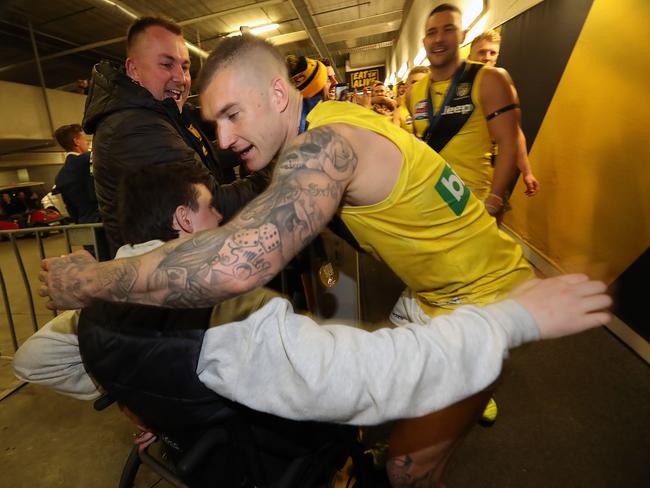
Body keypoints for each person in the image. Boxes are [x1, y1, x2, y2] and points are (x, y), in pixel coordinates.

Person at [39, 35, 610, 487]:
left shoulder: (325, 146)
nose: (224, 137)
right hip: (438, 291)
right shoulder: (320, 123)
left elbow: (237, 267)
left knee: (407, 472)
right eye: (214, 124)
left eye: (234, 114)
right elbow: (260, 201)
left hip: (488, 297)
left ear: (279, 96)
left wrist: (91, 279)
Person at [83, 15, 269, 254]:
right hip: (169, 274)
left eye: (185, 66)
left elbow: (206, 153)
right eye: (166, 64)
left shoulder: (161, 112)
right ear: (134, 70)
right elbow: (214, 203)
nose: (181, 79)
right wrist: (279, 166)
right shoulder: (135, 128)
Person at [406, 4, 537, 220]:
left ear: (462, 35)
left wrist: (494, 200)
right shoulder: (414, 93)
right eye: (431, 32)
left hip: (476, 205)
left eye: (448, 29)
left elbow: (510, 140)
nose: (438, 38)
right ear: (424, 42)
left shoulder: (490, 80)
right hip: (430, 204)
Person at [467, 29, 540, 197]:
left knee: (494, 215)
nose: (487, 57)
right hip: (459, 172)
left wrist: (527, 172)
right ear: (470, 56)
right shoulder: (457, 88)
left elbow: (515, 133)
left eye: (493, 52)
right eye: (482, 52)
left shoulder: (504, 90)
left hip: (490, 172)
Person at [53, 124, 99, 224]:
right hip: (105, 221)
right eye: (84, 139)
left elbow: (71, 208)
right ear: (76, 141)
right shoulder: (91, 159)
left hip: (85, 224)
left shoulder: (60, 176)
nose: (87, 142)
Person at [394, 66, 430, 134]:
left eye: (423, 82)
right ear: (406, 87)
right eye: (414, 83)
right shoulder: (399, 112)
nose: (418, 86)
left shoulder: (439, 104)